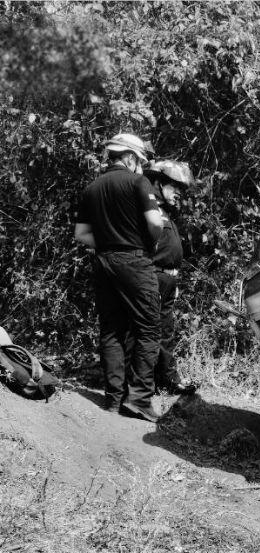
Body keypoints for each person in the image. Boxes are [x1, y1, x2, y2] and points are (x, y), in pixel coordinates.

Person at [74, 133, 164, 422]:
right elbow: (154, 223)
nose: (140, 166)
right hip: (134, 260)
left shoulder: (91, 188)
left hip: (103, 261)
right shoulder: (139, 182)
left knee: (111, 329)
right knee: (148, 328)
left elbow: (81, 235)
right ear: (130, 157)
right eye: (139, 160)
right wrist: (147, 243)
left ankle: (113, 399)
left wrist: (106, 244)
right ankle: (139, 400)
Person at [143, 160, 198, 395]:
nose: (179, 193)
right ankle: (143, 384)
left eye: (181, 189)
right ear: (158, 182)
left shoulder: (166, 211)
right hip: (151, 277)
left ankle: (168, 379)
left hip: (167, 281)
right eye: (174, 186)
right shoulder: (148, 209)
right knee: (147, 332)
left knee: (166, 331)